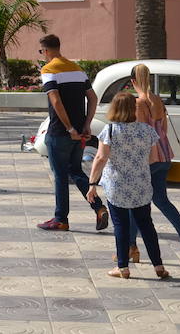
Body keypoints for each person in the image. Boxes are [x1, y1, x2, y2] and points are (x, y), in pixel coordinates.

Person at [124, 64, 180, 265]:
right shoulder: (157, 100)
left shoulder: (138, 103)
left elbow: (141, 134)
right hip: (164, 156)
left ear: (133, 81)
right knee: (162, 201)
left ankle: (130, 248)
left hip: (147, 160)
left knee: (135, 204)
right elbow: (164, 129)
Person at [86, 92, 171, 279]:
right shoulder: (146, 130)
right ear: (133, 109)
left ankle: (122, 267)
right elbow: (152, 157)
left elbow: (101, 158)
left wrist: (92, 183)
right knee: (146, 225)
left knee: (121, 225)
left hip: (117, 186)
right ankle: (158, 266)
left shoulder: (109, 131)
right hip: (141, 184)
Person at [36, 34, 108, 232]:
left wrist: (69, 128)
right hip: (80, 131)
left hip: (60, 131)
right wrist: (86, 124)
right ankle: (99, 207)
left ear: (47, 51)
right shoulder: (77, 69)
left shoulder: (48, 69)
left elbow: (56, 101)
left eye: (42, 52)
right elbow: (92, 98)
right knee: (75, 171)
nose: (42, 56)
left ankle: (61, 219)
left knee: (60, 175)